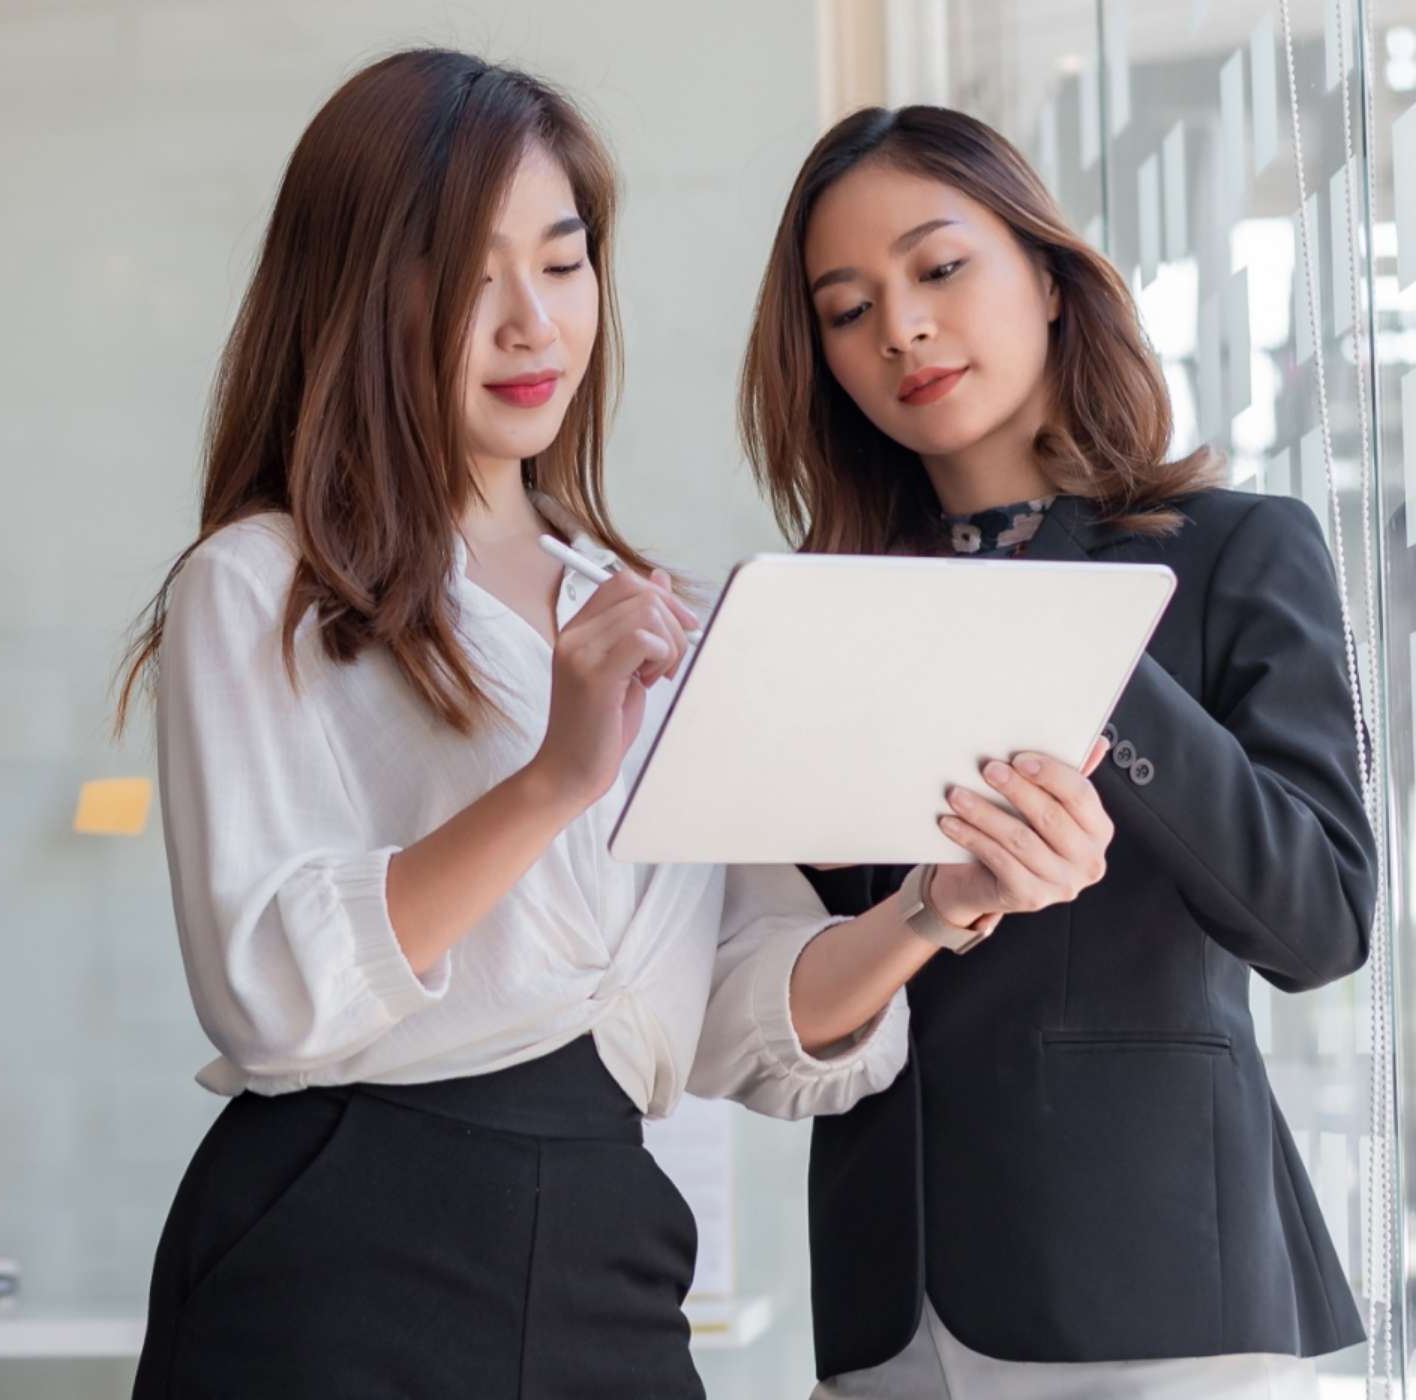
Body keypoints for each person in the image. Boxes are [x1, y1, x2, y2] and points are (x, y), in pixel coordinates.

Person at [115, 52, 1107, 1398]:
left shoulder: (651, 614)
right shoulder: (263, 584)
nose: (532, 323)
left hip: (610, 1245)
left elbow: (737, 1013)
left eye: (563, 263)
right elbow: (275, 995)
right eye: (465, 275)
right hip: (339, 1240)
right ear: (353, 294)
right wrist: (555, 777)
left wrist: (938, 903)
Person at [738, 104, 1379, 1398]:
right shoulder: (829, 610)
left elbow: (1318, 923)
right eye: (848, 308)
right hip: (885, 1292)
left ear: (1044, 270)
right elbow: (786, 983)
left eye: (938, 267)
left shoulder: (1237, 549)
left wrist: (1081, 653)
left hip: (1157, 1284)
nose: (902, 329)